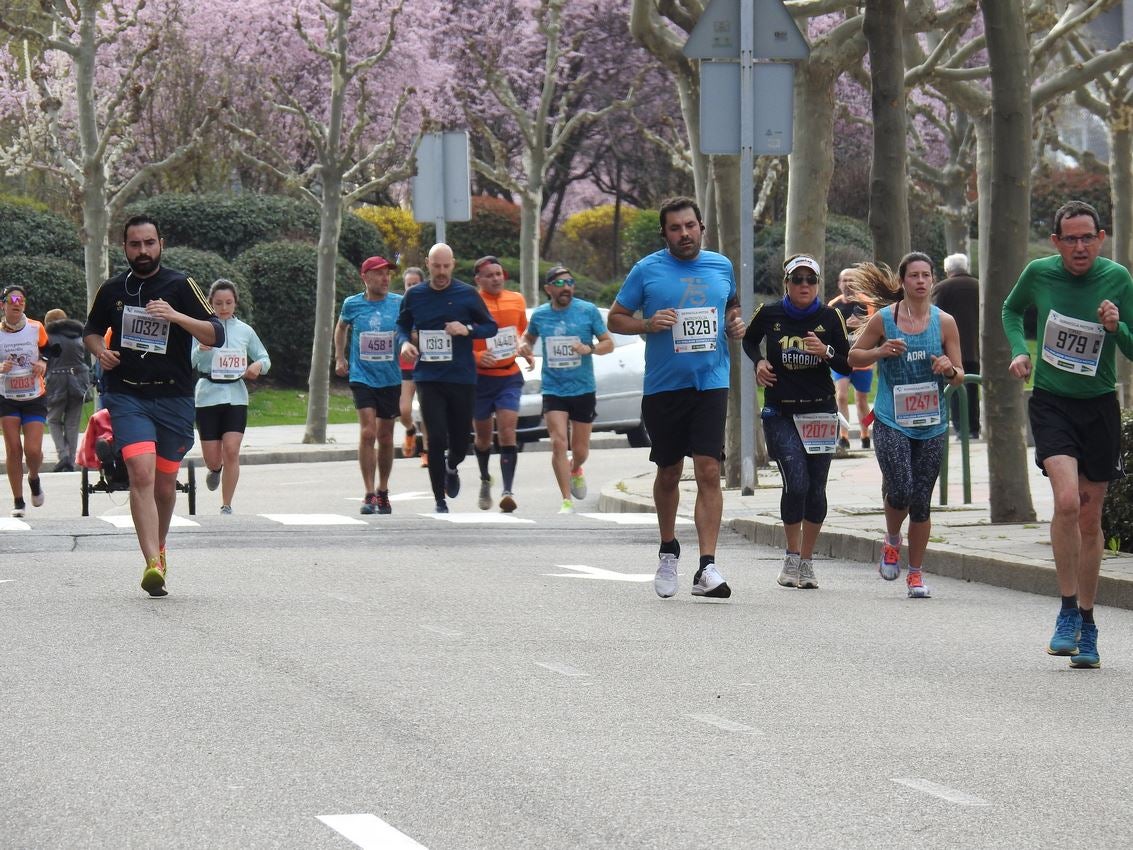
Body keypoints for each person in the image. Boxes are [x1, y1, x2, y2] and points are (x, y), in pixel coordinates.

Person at [1002, 200, 1133, 669]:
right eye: (1070, 239)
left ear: (1101, 237)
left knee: (1090, 517)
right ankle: (1065, 610)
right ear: (1056, 242)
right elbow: (1011, 311)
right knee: (1066, 502)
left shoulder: (1118, 278)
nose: (1080, 247)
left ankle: (1088, 620)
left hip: (1097, 407)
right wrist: (1020, 351)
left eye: (1088, 237)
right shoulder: (1039, 272)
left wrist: (1118, 329)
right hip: (1052, 402)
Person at [608, 196, 746, 599]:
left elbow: (731, 307)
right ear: (664, 233)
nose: (684, 234)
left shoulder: (721, 265)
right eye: (675, 228)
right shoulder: (646, 270)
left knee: (707, 469)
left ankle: (707, 567)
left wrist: (735, 325)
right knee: (669, 472)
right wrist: (648, 323)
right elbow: (616, 317)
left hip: (711, 382)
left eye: (690, 225)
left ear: (702, 226)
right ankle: (668, 548)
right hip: (664, 386)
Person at [84, 215, 224, 597]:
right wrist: (101, 351)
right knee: (140, 473)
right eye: (135, 244)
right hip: (127, 394)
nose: (142, 251)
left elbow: (216, 333)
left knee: (165, 484)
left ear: (160, 243)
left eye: (149, 243)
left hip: (174, 396)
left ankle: (159, 549)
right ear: (124, 247)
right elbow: (91, 330)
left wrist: (175, 315)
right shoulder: (113, 289)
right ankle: (150, 563)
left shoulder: (180, 285)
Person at [847, 253, 965, 600]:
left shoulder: (944, 323)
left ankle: (915, 574)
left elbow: (958, 375)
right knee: (900, 488)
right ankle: (892, 540)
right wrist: (881, 351)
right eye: (913, 275)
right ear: (903, 282)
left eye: (926, 275)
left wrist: (947, 368)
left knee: (922, 502)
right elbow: (854, 356)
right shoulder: (885, 319)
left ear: (932, 280)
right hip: (890, 419)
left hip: (932, 422)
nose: (921, 281)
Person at [743, 255, 851, 589]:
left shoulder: (829, 316)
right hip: (781, 412)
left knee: (816, 488)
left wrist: (826, 353)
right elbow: (749, 340)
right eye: (798, 279)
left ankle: (806, 561)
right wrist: (759, 363)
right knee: (797, 481)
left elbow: (847, 364)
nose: (804, 285)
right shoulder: (770, 313)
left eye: (811, 280)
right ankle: (790, 555)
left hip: (820, 411)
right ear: (787, 283)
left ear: (818, 284)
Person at [397, 243, 497, 513]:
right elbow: (402, 325)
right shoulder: (415, 295)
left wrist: (465, 329)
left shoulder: (467, 294)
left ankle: (452, 466)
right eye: (436, 266)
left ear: (452, 265)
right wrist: (405, 343)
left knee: (460, 440)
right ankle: (439, 500)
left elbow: (490, 326)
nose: (441, 272)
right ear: (428, 264)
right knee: (436, 438)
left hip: (461, 377)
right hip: (429, 376)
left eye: (445, 266)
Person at [520, 265, 614, 514]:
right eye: (560, 284)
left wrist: (590, 349)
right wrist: (524, 347)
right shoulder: (540, 316)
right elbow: (527, 338)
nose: (567, 288)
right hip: (553, 388)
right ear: (548, 288)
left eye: (570, 282)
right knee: (558, 443)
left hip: (583, 387)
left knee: (580, 450)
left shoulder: (587, 311)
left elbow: (608, 343)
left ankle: (576, 468)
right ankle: (566, 500)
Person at [192, 279, 270, 515]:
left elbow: (264, 358)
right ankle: (215, 470)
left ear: (235, 303)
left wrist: (257, 365)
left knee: (232, 450)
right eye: (218, 303)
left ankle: (226, 504)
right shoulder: (200, 328)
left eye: (228, 303)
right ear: (210, 303)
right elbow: (187, 361)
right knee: (213, 458)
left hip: (236, 395)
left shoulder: (245, 330)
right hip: (207, 396)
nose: (223, 308)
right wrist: (199, 350)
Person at [335, 256, 403, 515]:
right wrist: (340, 357)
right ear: (365, 277)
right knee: (368, 432)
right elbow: (341, 328)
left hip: (390, 378)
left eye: (388, 274)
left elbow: (410, 329)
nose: (385, 279)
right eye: (379, 274)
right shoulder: (352, 304)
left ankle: (383, 490)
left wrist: (409, 342)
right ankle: (368, 493)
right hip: (362, 376)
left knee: (385, 437)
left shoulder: (398, 303)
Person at [471, 256, 530, 512]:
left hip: (508, 376)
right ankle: (485, 478)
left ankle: (508, 490)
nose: (496, 278)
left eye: (499, 273)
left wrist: (524, 348)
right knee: (483, 438)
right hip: (479, 380)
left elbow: (522, 332)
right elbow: (459, 341)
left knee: (507, 431)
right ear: (479, 280)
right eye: (489, 275)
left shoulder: (516, 299)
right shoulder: (470, 303)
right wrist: (475, 356)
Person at [1, 285, 50, 516]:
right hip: (7, 396)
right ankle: (18, 501)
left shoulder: (35, 327)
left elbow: (50, 350)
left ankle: (33, 477)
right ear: (4, 305)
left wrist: (43, 362)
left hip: (34, 395)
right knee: (13, 449)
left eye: (21, 301)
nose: (17, 304)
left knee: (32, 450)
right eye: (12, 300)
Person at [933, 253, 981, 438]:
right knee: (972, 388)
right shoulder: (979, 285)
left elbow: (934, 316)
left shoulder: (942, 288)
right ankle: (975, 428)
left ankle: (962, 428)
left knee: (954, 389)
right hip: (975, 346)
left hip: (950, 348)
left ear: (947, 270)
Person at [827, 268, 873, 450]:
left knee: (862, 400)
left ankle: (865, 433)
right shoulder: (833, 305)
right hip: (841, 360)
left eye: (851, 280)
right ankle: (843, 436)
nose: (847, 284)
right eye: (844, 280)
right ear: (839, 284)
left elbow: (876, 328)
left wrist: (862, 324)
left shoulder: (867, 303)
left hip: (863, 359)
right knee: (842, 396)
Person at [43, 307, 91, 472]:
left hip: (56, 381)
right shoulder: (79, 336)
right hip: (78, 380)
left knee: (53, 419)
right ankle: (70, 460)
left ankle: (62, 455)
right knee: (72, 423)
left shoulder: (48, 337)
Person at [398, 265, 426, 464]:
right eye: (408, 284)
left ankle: (427, 451)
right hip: (407, 366)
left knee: (427, 411)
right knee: (404, 411)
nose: (412, 288)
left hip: (427, 365)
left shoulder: (430, 304)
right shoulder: (400, 306)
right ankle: (410, 430)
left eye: (415, 284)